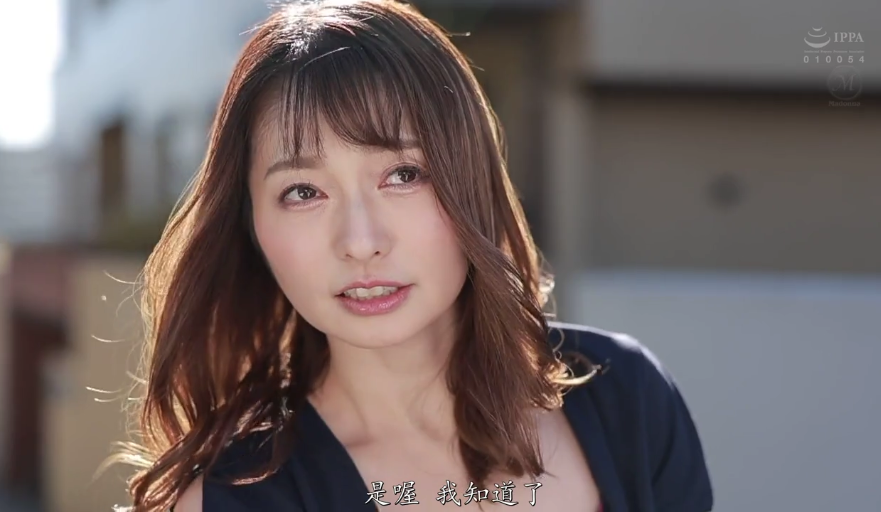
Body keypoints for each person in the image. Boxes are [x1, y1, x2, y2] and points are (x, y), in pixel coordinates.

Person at [117, 1, 713, 511]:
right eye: (303, 192)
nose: (360, 241)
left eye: (404, 175)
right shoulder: (237, 497)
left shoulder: (623, 398)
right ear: (251, 224)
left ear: (472, 180)